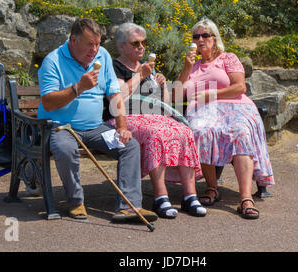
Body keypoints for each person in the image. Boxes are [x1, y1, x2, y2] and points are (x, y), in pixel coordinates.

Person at [37, 18, 157, 223]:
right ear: (73, 40)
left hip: (95, 127)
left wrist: (122, 126)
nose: (94, 50)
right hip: (62, 127)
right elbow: (48, 103)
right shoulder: (53, 60)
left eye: (97, 44)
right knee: (65, 149)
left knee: (130, 146)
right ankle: (75, 202)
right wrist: (78, 88)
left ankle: (129, 206)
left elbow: (114, 95)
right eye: (89, 44)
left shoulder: (103, 56)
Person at [175, 17, 274, 219]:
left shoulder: (227, 58)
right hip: (203, 111)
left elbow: (240, 87)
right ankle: (212, 188)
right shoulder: (191, 65)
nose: (200, 39)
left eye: (205, 35)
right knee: (199, 131)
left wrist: (211, 95)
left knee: (240, 132)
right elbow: (177, 95)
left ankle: (245, 197)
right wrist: (186, 68)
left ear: (214, 38)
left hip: (235, 107)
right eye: (196, 36)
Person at [104, 22, 206, 218]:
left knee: (184, 130)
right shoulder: (114, 67)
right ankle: (161, 197)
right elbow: (118, 98)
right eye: (135, 43)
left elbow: (166, 105)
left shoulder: (148, 68)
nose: (141, 47)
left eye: (143, 43)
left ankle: (190, 195)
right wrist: (139, 76)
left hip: (154, 116)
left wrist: (161, 86)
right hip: (124, 119)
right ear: (122, 46)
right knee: (156, 133)